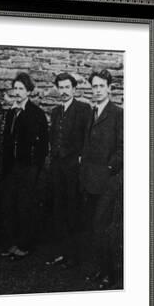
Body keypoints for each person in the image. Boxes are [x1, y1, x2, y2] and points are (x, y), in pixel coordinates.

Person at [79, 69, 123, 289]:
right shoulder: (92, 112)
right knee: (94, 226)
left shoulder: (117, 114)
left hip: (108, 181)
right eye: (93, 87)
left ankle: (110, 274)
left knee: (105, 227)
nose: (96, 90)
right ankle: (99, 269)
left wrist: (108, 168)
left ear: (109, 88)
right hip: (90, 179)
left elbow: (122, 148)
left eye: (100, 86)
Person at [0, 72, 49, 259]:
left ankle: (24, 244)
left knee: (25, 206)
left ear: (29, 91)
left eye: (22, 89)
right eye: (16, 88)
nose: (18, 92)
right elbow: (6, 141)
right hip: (11, 168)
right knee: (9, 205)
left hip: (28, 168)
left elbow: (43, 144)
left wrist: (35, 168)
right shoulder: (11, 113)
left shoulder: (36, 114)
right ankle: (11, 243)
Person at [45, 73, 91, 268]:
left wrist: (81, 158)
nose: (63, 91)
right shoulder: (55, 112)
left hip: (74, 168)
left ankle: (75, 256)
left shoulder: (83, 109)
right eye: (60, 87)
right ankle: (61, 253)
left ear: (74, 89)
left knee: (74, 210)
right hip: (57, 167)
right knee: (59, 209)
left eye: (67, 87)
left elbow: (87, 137)